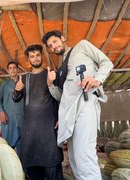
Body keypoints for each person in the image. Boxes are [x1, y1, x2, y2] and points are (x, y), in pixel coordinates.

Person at [42, 30, 114, 180]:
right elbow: (62, 97)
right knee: (74, 159)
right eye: (50, 46)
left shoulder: (82, 46)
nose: (53, 47)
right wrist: (50, 84)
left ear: (62, 38)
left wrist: (98, 79)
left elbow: (107, 62)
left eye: (55, 42)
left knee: (84, 156)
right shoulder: (61, 69)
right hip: (69, 116)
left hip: (85, 104)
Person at [12, 44, 63, 180]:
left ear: (42, 56)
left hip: (49, 128)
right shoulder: (25, 78)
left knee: (53, 166)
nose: (35, 59)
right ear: (28, 60)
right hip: (30, 130)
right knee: (33, 168)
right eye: (32, 56)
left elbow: (61, 98)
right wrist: (17, 90)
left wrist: (60, 117)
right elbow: (16, 99)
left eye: (38, 55)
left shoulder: (51, 74)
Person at [0, 61, 24, 156]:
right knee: (8, 150)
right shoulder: (4, 84)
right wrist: (1, 112)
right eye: (10, 68)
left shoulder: (23, 83)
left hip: (22, 119)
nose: (12, 70)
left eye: (14, 68)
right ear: (8, 71)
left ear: (18, 70)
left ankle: (23, 170)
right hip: (8, 120)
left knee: (23, 150)